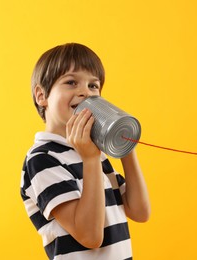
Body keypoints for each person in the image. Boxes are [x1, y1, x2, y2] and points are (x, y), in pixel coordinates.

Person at [20, 43, 151, 260]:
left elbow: (140, 212)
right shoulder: (42, 159)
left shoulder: (93, 152)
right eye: (71, 82)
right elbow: (90, 236)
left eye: (93, 86)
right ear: (41, 95)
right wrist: (89, 160)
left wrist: (126, 150)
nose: (84, 92)